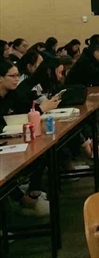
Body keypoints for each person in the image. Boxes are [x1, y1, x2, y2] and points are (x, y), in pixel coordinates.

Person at [0, 61, 50, 217]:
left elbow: (24, 110)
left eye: (17, 75)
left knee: (41, 151)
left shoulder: (12, 95)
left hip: (9, 139)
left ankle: (30, 193)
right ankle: (22, 199)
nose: (17, 79)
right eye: (12, 76)